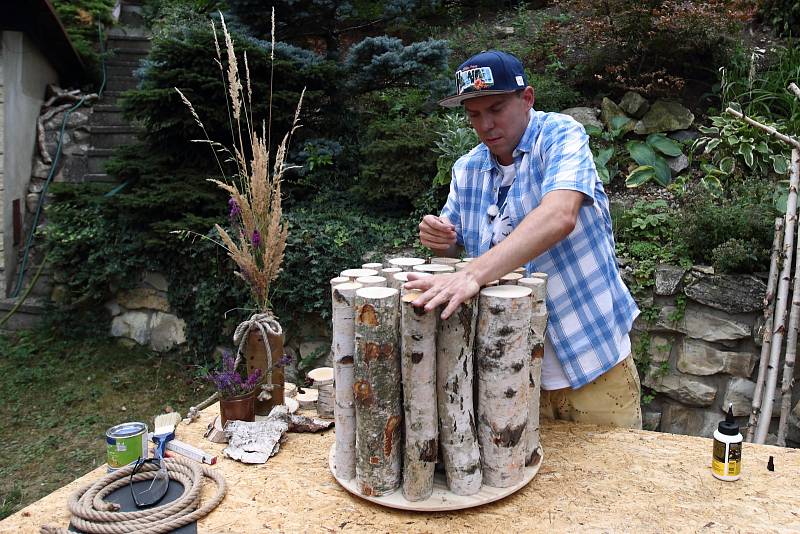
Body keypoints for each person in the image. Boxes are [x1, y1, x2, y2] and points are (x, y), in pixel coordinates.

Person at [405, 50, 642, 429]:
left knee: (613, 483)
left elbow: (559, 215)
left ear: (527, 98)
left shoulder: (560, 135)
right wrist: (440, 239)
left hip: (595, 365)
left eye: (496, 109)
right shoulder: (466, 169)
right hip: (510, 375)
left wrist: (472, 274)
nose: (486, 125)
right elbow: (453, 247)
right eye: (474, 115)